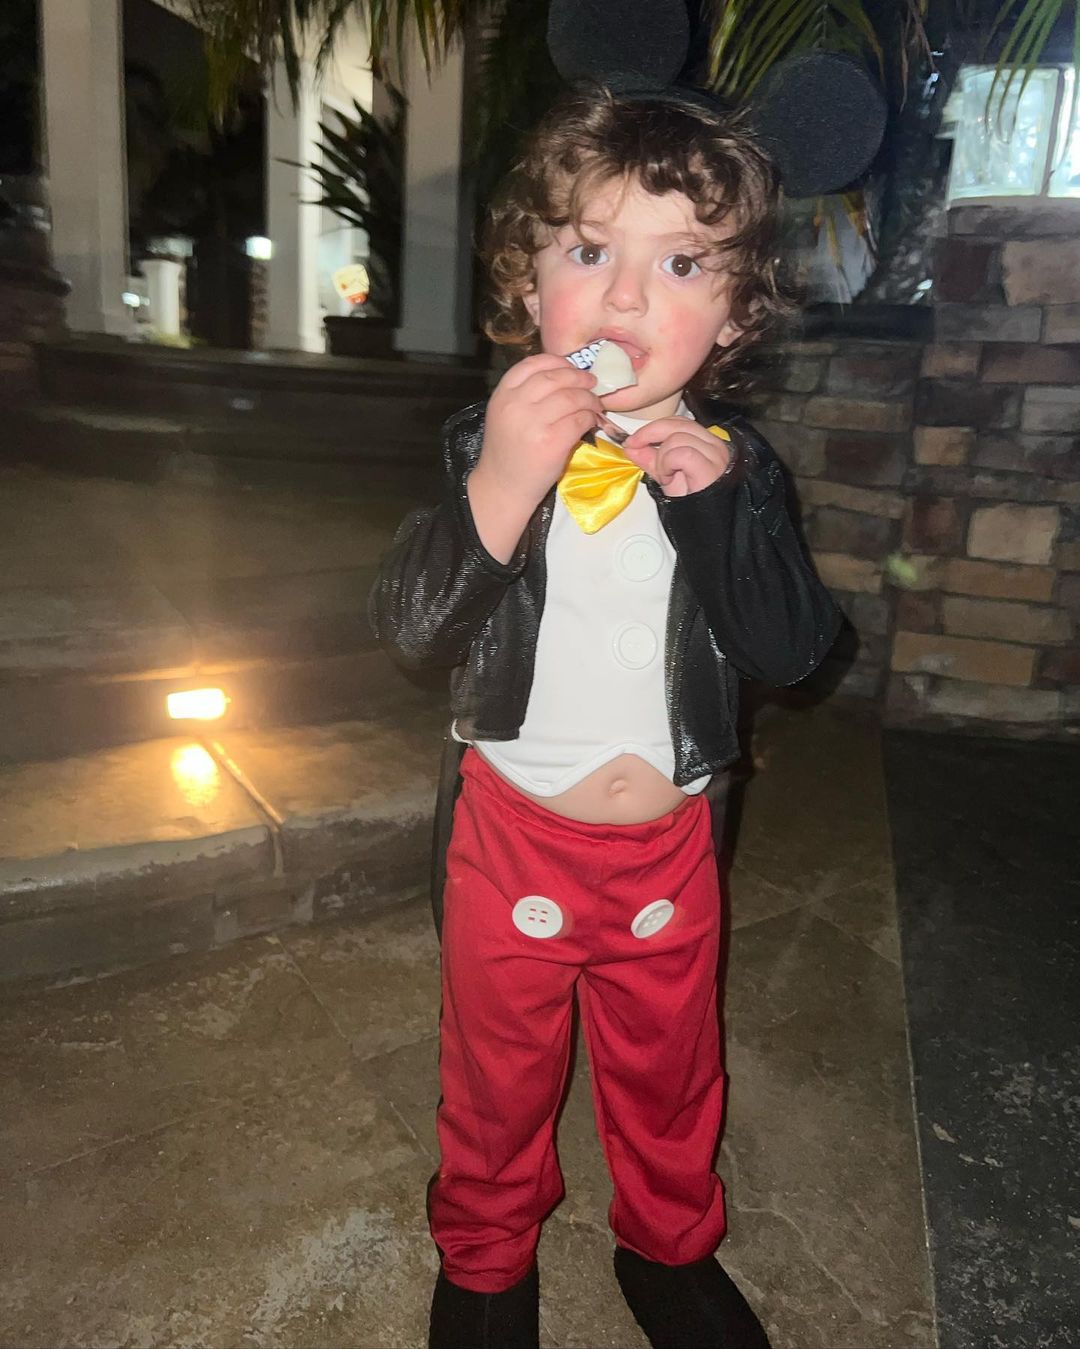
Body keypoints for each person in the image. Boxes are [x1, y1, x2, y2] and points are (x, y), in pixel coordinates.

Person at [370, 84, 841, 1349]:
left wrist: (721, 516)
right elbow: (410, 626)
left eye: (680, 264)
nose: (625, 297)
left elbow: (796, 649)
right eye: (589, 250)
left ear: (734, 313)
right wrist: (500, 481)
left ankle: (669, 1248)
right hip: (513, 832)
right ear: (529, 281)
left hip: (670, 846)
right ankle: (485, 1257)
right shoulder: (488, 440)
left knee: (671, 1065)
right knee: (495, 1072)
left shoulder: (740, 468)